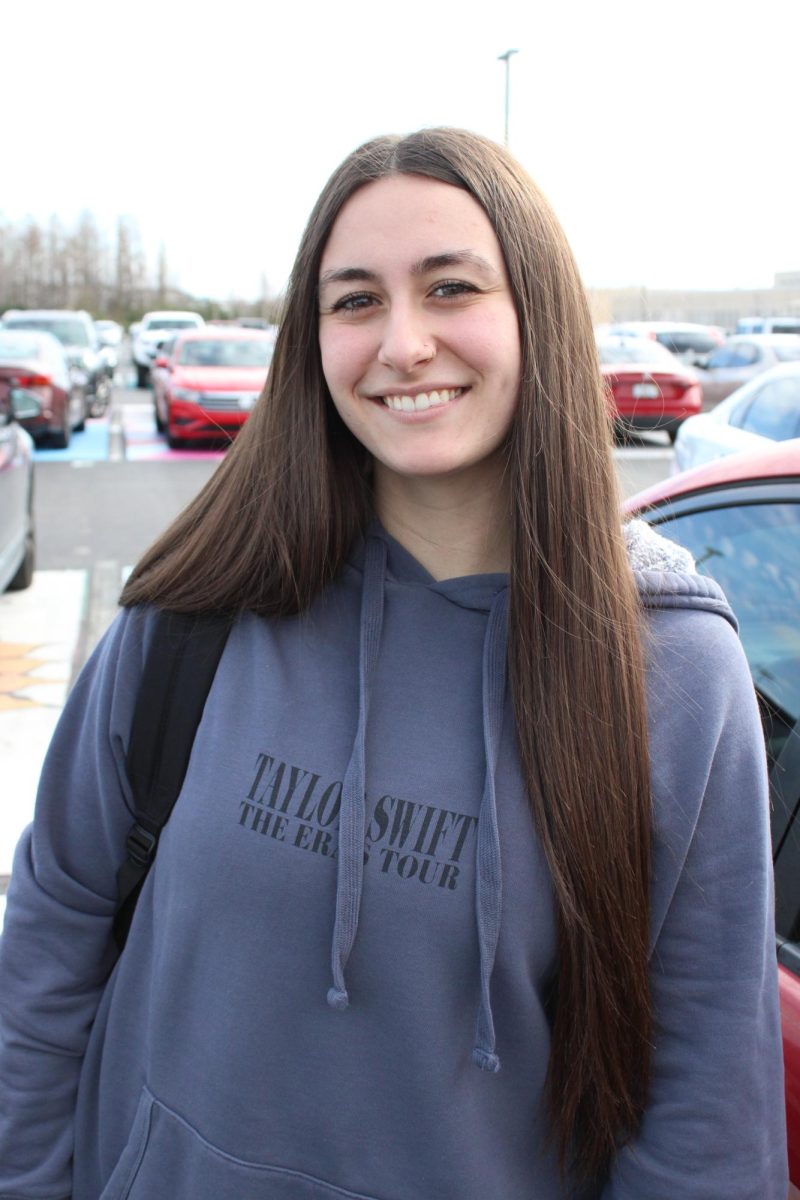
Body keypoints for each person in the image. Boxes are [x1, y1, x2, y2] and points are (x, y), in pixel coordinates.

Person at [0, 129, 787, 1199]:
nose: (402, 343)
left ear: (536, 313)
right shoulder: (202, 602)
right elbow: (48, 951)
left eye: (450, 287)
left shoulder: (668, 669)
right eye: (355, 300)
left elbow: (703, 1126)